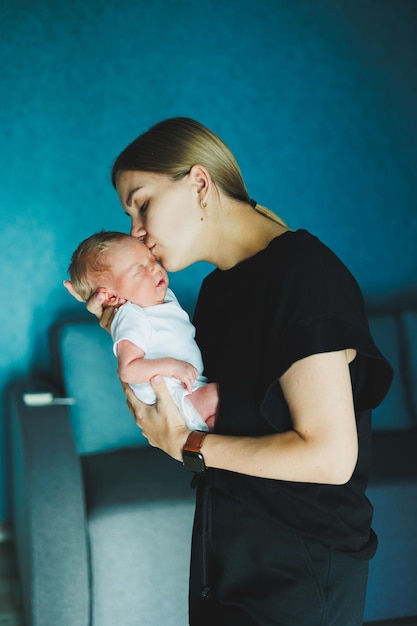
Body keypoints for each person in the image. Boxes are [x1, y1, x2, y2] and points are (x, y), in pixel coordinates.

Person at [64, 117, 393, 626]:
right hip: (226, 549)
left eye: (142, 203)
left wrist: (185, 447)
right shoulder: (218, 291)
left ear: (198, 183)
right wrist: (123, 322)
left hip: (297, 573)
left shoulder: (303, 276)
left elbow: (330, 459)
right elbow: (213, 413)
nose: (137, 233)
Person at [67, 231, 219, 431]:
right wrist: (173, 367)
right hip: (177, 399)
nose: (155, 269)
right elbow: (128, 369)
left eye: (152, 260)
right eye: (139, 271)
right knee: (228, 397)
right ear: (111, 297)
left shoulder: (159, 297)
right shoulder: (131, 316)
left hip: (191, 389)